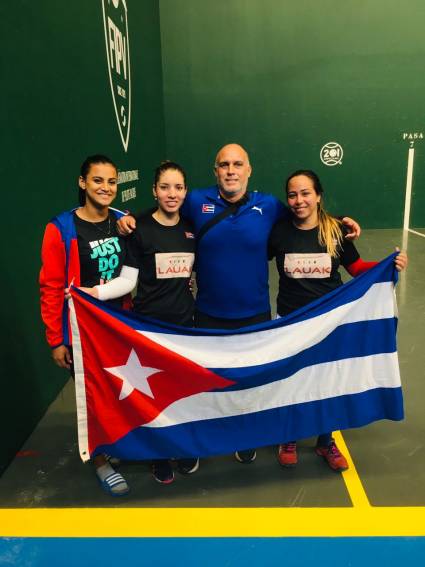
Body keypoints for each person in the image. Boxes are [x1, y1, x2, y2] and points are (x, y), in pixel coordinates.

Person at [117, 144, 361, 464]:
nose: (231, 170)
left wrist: (342, 222)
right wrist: (131, 218)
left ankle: (246, 436)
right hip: (207, 314)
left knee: (250, 383)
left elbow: (306, 214)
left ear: (249, 170)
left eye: (237, 164)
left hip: (255, 316)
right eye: (224, 165)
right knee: (204, 383)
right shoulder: (195, 200)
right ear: (215, 171)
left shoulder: (270, 206)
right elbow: (165, 206)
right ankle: (198, 442)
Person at [268, 169, 408, 471]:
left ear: (318, 196)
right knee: (291, 379)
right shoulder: (278, 232)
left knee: (327, 382)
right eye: (292, 194)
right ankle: (289, 436)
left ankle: (325, 441)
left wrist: (389, 264)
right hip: (289, 323)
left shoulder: (335, 231)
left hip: (329, 323)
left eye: (305, 193)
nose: (299, 200)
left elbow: (357, 268)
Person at [80, 161, 199, 484]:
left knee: (181, 391)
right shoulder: (138, 228)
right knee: (154, 397)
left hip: (185, 327)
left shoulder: (191, 229)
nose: (171, 194)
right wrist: (93, 293)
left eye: (178, 188)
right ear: (154, 191)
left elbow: (197, 273)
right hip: (148, 329)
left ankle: (184, 446)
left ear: (185, 192)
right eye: (164, 187)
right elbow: (126, 281)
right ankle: (158, 454)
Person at [40, 154, 131, 496]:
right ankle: (99, 459)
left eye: (111, 182)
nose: (105, 188)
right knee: (91, 395)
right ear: (82, 183)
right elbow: (50, 287)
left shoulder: (123, 221)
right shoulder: (61, 228)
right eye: (97, 180)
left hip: (118, 325)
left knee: (117, 389)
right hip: (81, 331)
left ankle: (114, 444)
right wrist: (56, 339)